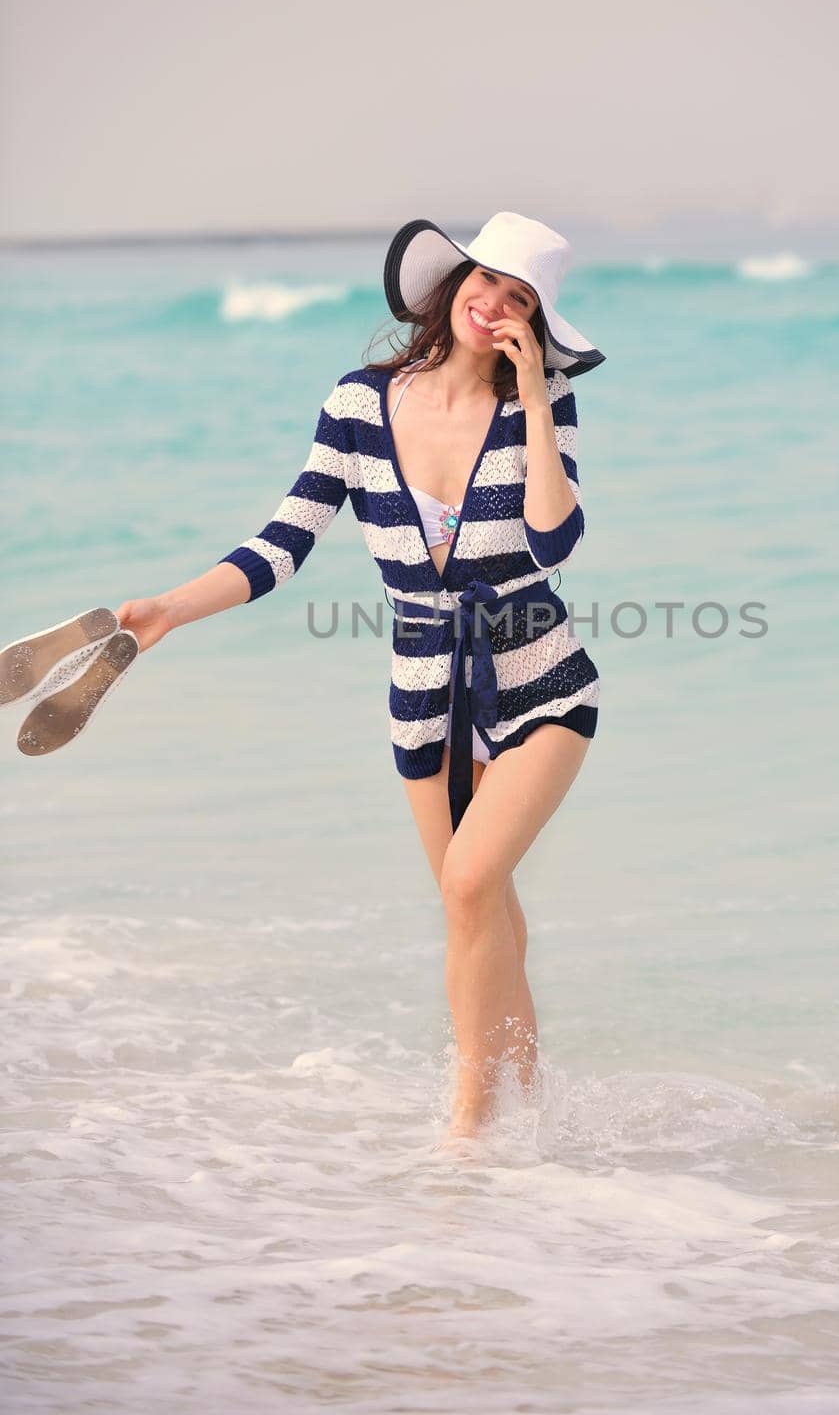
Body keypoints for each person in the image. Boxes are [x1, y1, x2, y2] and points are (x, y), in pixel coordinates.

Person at [115, 211, 606, 1143]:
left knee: (468, 888)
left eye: (520, 298)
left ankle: (468, 1126)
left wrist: (539, 397)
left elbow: (556, 538)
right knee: (483, 907)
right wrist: (171, 609)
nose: (493, 302)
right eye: (485, 280)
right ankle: (534, 1112)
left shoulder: (539, 408)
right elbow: (284, 542)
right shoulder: (359, 403)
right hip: (424, 691)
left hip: (542, 680)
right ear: (455, 281)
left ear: (534, 320)